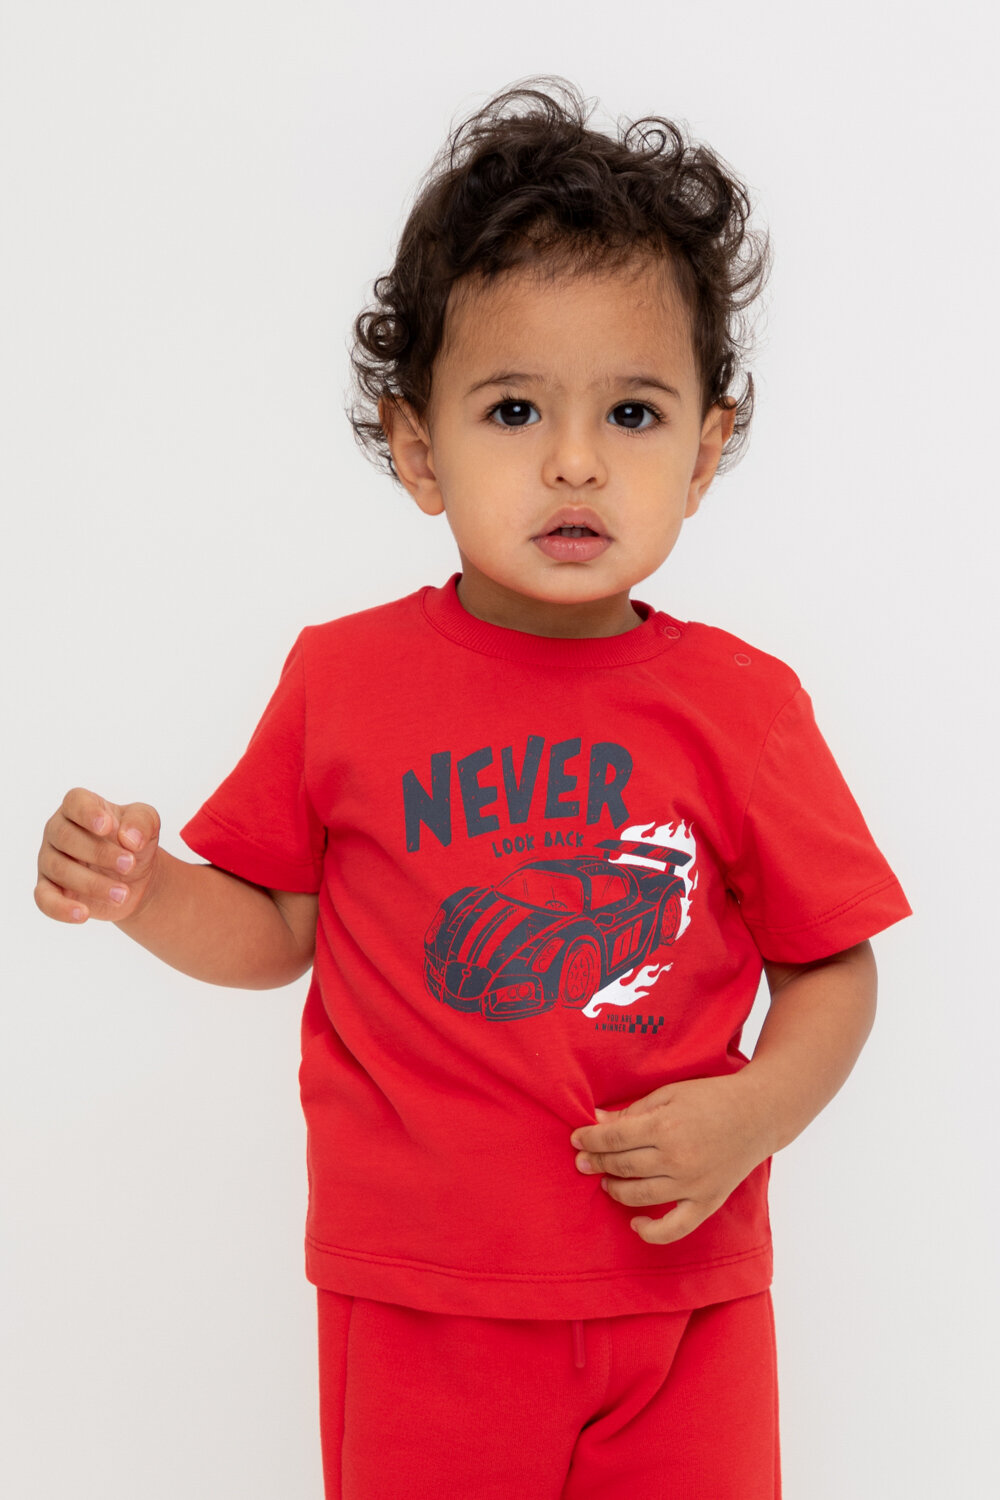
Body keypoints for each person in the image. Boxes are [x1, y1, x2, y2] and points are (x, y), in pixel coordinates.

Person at [34, 77, 911, 1499]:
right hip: (420, 1301)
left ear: (706, 451)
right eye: (514, 409)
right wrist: (146, 894)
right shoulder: (343, 681)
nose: (575, 461)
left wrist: (753, 1113)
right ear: (418, 449)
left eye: (633, 412)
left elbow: (837, 968)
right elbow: (277, 927)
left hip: (682, 1297)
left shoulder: (745, 707)